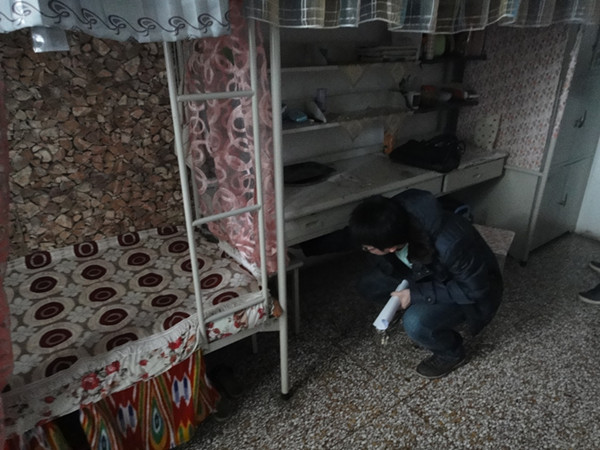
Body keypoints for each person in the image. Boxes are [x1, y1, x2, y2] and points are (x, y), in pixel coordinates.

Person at [348, 189, 503, 379]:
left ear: (391, 247)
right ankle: (411, 311)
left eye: (369, 248)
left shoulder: (450, 243)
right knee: (369, 284)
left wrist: (416, 295)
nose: (365, 249)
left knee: (415, 322)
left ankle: (451, 353)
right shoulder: (394, 222)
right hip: (425, 273)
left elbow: (475, 289)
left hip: (468, 290)